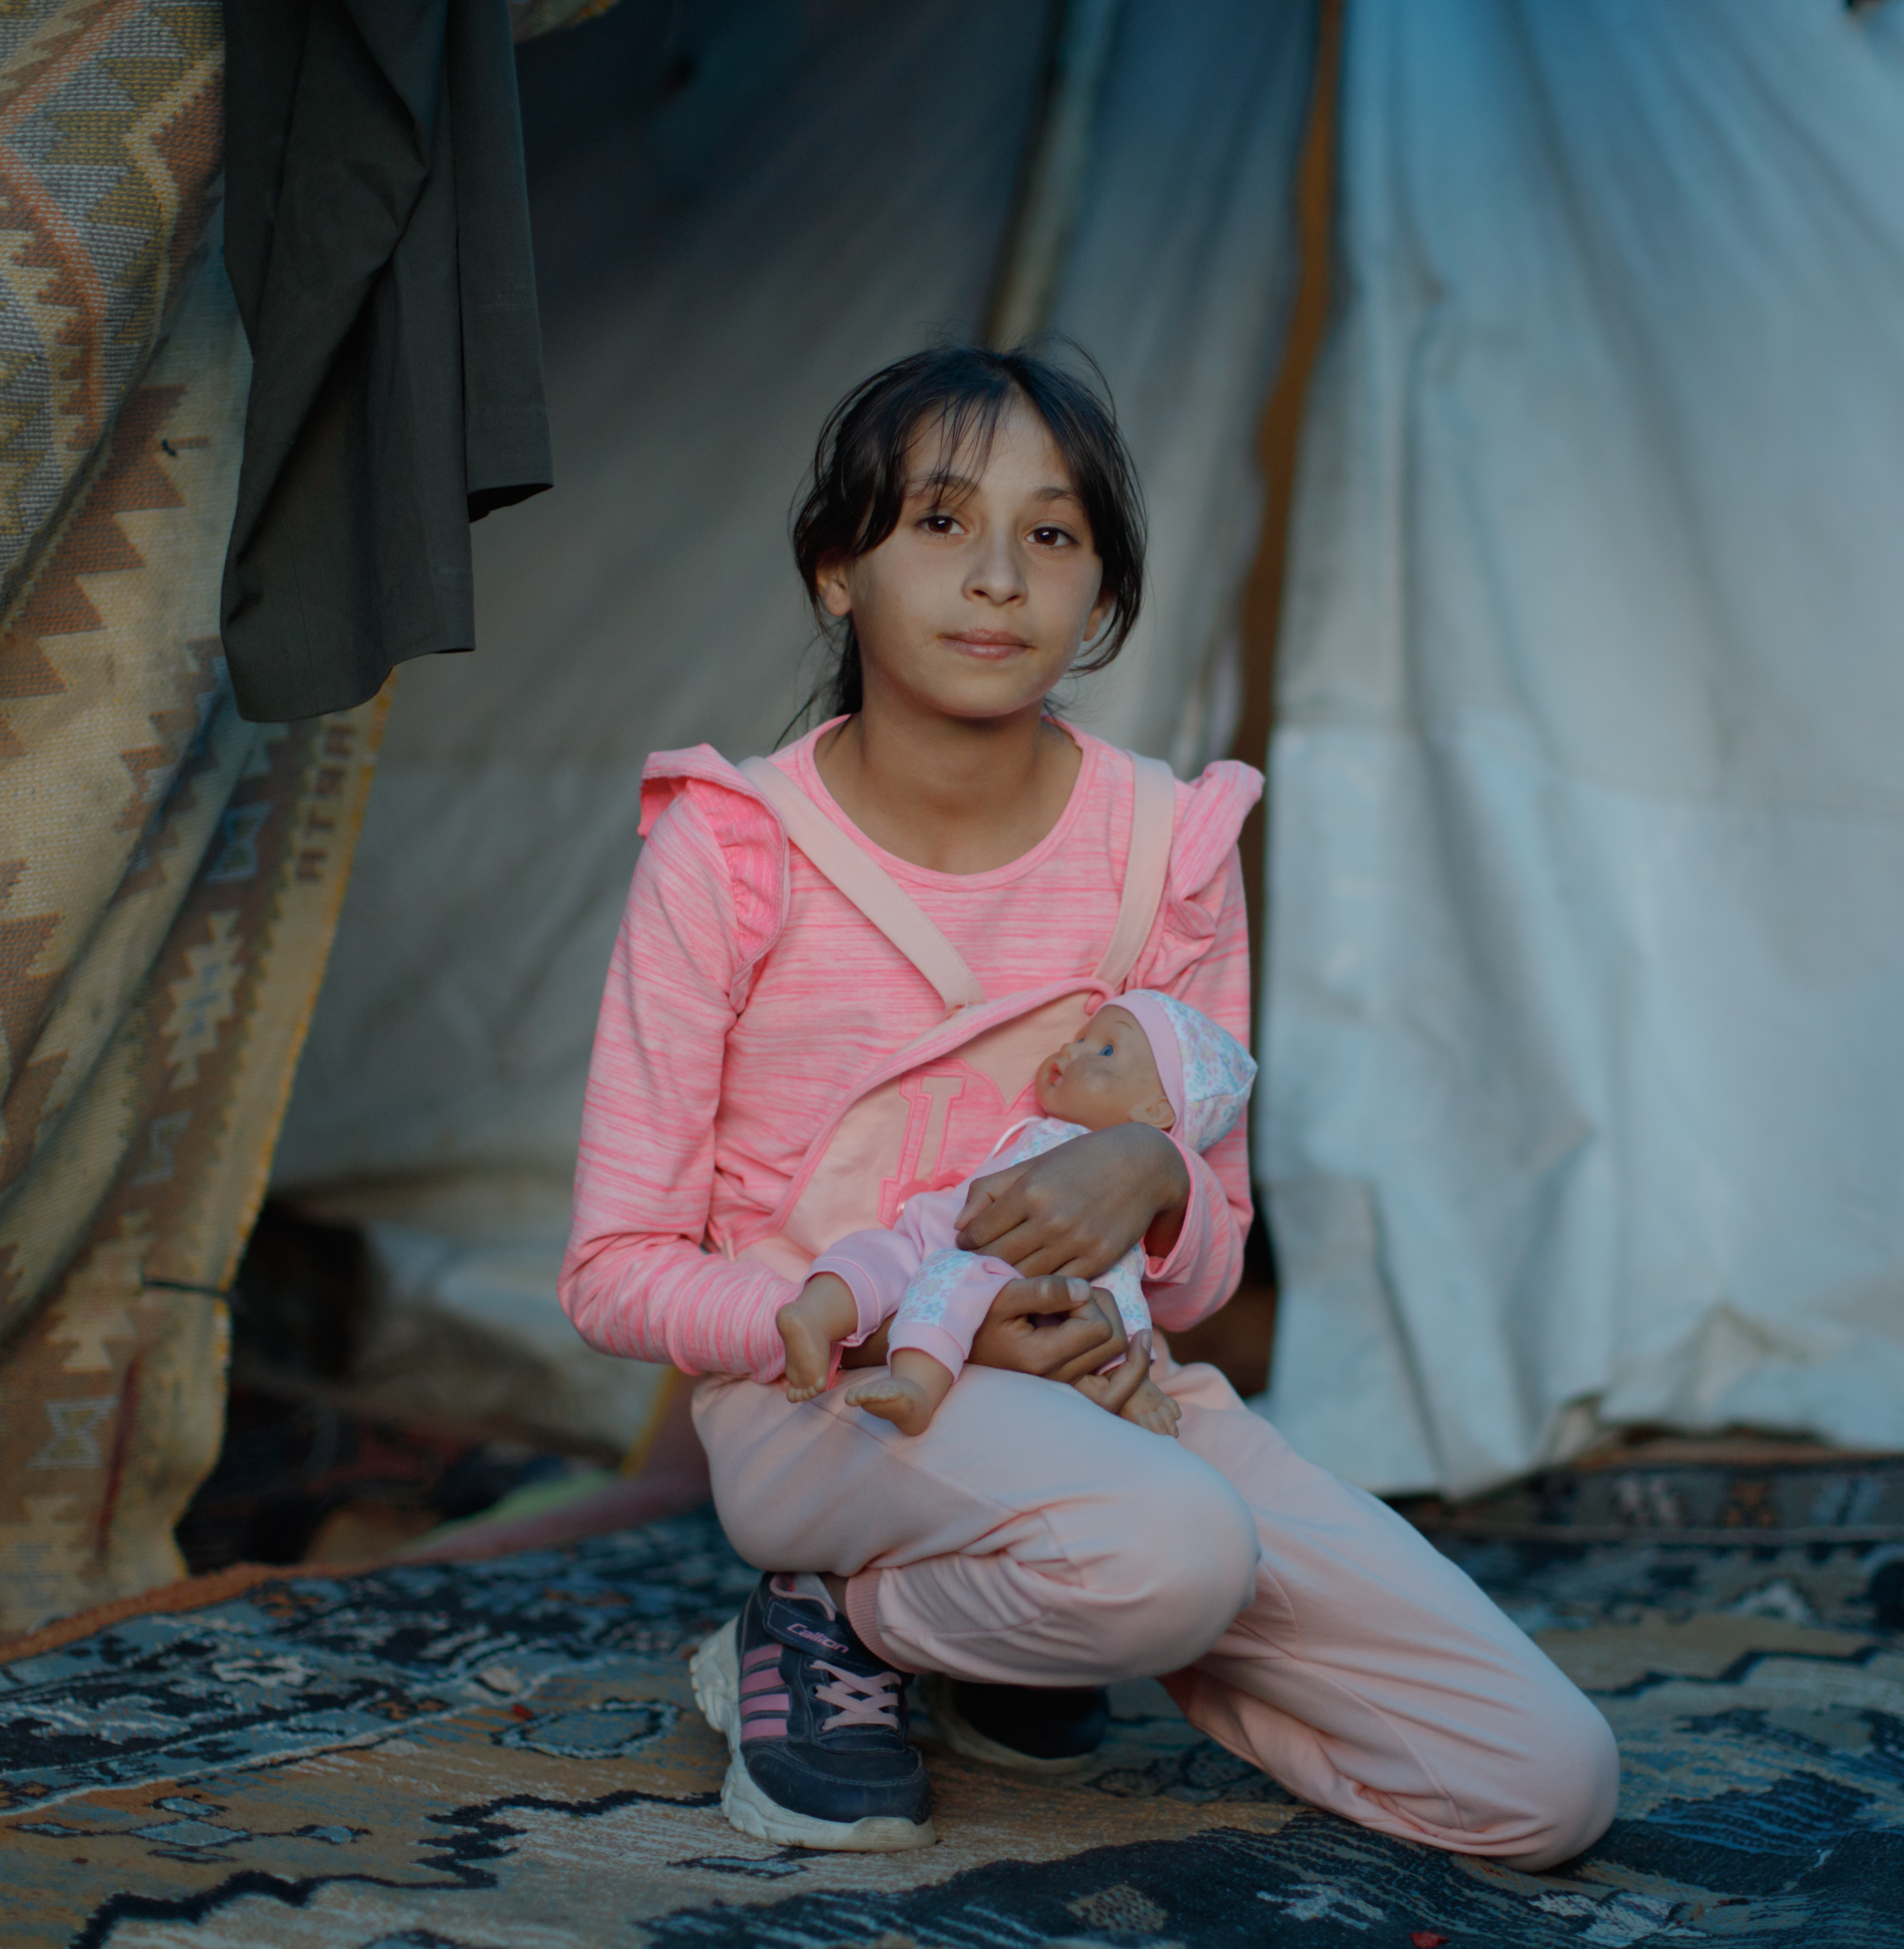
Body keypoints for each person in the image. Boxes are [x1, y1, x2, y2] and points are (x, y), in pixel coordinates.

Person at [558, 342, 1619, 1860]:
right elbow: (612, 1271)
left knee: (1542, 1783)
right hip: (833, 1401)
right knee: (1172, 1550)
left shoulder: (1165, 849)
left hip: (1119, 1394)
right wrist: (906, 1313)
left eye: (1049, 535)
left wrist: (1152, 1175)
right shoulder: (733, 854)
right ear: (831, 573)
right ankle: (837, 1623)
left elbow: (1204, 1263)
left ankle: (983, 1617)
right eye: (936, 520)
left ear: (1099, 599)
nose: (995, 575)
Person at [777, 990, 1253, 1438]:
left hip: (980, 1264)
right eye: (1082, 1036)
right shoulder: (1045, 1129)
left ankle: (916, 1386)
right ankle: (813, 1319)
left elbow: (1116, 1290)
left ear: (1155, 1110)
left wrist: (1132, 1370)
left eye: (1106, 1051)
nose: (1072, 1048)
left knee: (951, 1290)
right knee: (866, 1254)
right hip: (927, 1230)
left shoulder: (1113, 1198)